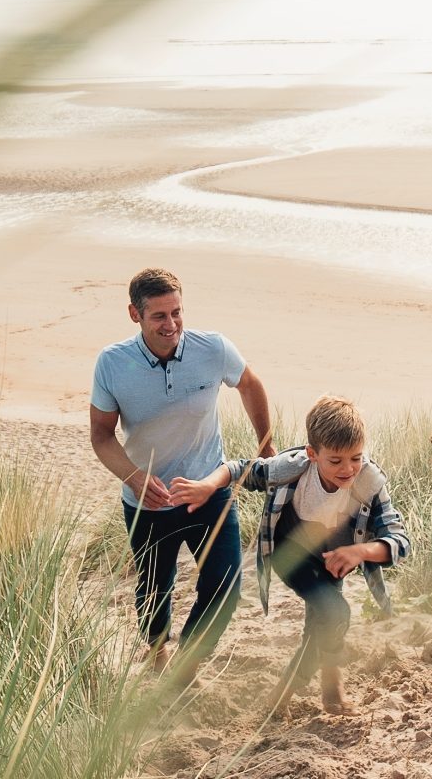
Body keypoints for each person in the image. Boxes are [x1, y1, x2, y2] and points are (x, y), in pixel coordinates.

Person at [89, 267, 274, 688]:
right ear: (134, 314)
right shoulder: (112, 364)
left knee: (225, 586)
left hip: (209, 491)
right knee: (154, 593)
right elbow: (101, 436)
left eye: (177, 313)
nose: (171, 325)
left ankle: (186, 663)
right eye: (159, 316)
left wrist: (267, 449)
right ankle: (157, 652)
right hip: (148, 504)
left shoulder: (213, 349)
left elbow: (249, 383)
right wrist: (135, 477)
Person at [170, 394, 411, 717]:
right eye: (335, 461)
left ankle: (326, 692)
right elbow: (240, 468)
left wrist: (363, 550)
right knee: (336, 613)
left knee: (323, 620)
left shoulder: (369, 481)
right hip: (290, 553)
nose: (348, 469)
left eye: (356, 458)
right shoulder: (291, 470)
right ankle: (288, 694)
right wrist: (207, 486)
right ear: (312, 454)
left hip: (333, 560)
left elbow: (399, 539)